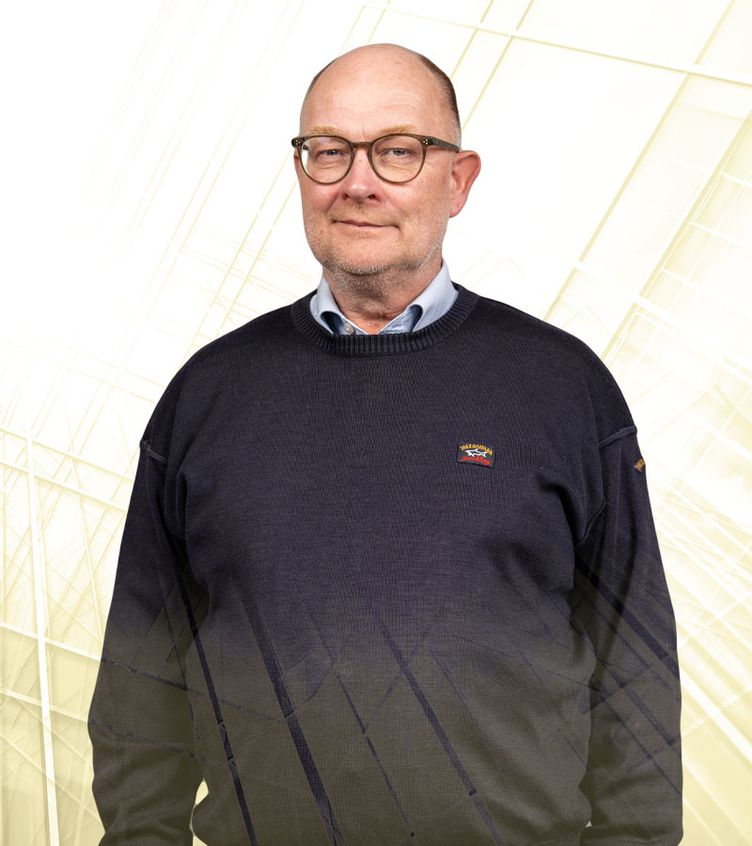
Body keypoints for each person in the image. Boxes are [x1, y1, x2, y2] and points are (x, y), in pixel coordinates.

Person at [89, 43, 683, 846]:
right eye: (328, 150)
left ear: (458, 180)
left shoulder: (564, 388)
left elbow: (636, 681)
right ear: (301, 171)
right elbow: (139, 689)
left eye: (397, 151)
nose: (357, 182)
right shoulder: (207, 396)